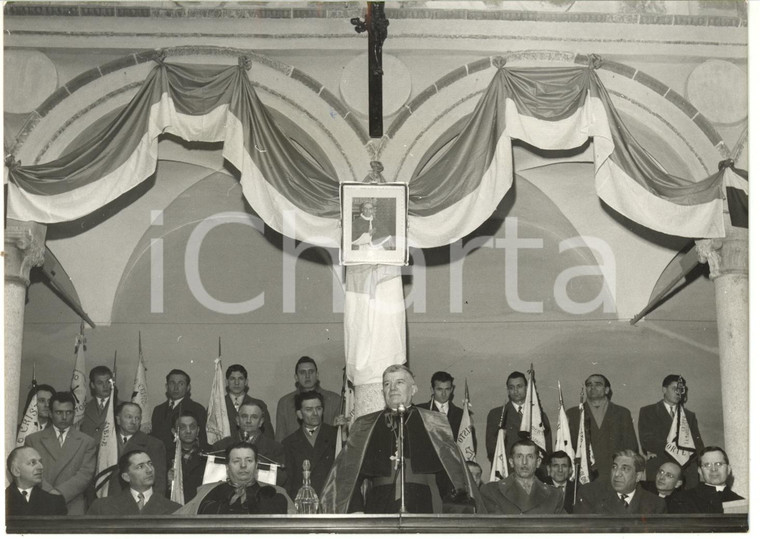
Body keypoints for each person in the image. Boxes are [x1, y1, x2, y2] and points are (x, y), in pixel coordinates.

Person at [321, 364, 484, 514]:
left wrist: (456, 513)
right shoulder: (365, 425)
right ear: (382, 391)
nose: (392, 388)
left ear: (413, 389)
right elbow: (348, 475)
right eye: (386, 384)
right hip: (379, 502)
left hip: (420, 501)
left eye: (399, 382)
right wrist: (356, 509)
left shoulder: (434, 422)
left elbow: (450, 474)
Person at [24, 391, 96, 515]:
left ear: (74, 413)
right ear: (50, 414)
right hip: (41, 501)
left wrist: (60, 493)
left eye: (68, 412)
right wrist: (50, 493)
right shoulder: (33, 440)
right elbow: (30, 471)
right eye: (59, 412)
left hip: (72, 504)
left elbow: (85, 475)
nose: (64, 417)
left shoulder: (87, 442)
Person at [176, 442, 292, 515]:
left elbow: (298, 527)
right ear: (227, 467)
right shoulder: (207, 492)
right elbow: (176, 522)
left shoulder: (277, 493)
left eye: (249, 460)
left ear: (257, 466)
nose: (243, 465)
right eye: (236, 461)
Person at [566, 374, 638, 483]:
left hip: (614, 474)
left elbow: (631, 447)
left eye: (598, 384)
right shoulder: (573, 414)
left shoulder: (622, 413)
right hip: (584, 476)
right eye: (589, 385)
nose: (592, 387)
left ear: (607, 390)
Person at [638, 374, 704, 489]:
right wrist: (678, 450)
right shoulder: (648, 411)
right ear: (664, 389)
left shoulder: (689, 415)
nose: (679, 393)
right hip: (660, 467)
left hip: (687, 471)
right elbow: (647, 440)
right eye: (675, 389)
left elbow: (697, 444)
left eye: (681, 390)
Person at [485, 371, 551, 467]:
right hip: (508, 470)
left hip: (535, 471)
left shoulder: (539, 414)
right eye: (511, 388)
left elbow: (547, 449)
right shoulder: (497, 414)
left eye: (519, 386)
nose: (515, 391)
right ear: (508, 390)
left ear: (527, 388)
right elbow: (492, 449)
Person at [481, 439, 565, 514]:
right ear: (511, 462)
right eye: (519, 456)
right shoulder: (492, 491)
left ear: (538, 462)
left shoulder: (554, 495)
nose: (524, 462)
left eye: (530, 456)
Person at [213, 402, 286, 486]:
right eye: (244, 416)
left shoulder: (275, 448)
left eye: (254, 417)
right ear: (237, 420)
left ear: (261, 421)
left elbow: (281, 479)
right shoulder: (221, 446)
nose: (248, 421)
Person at [88, 450, 181, 515]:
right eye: (140, 467)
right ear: (126, 477)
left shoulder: (175, 509)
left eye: (150, 464)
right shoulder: (102, 507)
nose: (149, 470)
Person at [282, 390, 337, 500]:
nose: (315, 413)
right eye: (309, 410)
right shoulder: (288, 443)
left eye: (318, 408)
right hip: (303, 504)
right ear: (299, 414)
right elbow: (289, 483)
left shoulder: (336, 436)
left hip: (331, 502)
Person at [575, 449, 666, 514]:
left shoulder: (656, 504)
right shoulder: (590, 494)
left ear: (638, 476)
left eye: (625, 469)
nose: (617, 473)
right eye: (614, 467)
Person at [106, 402, 167, 497]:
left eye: (137, 418)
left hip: (137, 503)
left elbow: (159, 483)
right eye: (129, 417)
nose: (133, 421)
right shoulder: (105, 444)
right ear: (118, 419)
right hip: (106, 502)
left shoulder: (153, 445)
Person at [275, 356, 341, 442]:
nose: (307, 376)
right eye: (302, 372)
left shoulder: (333, 400)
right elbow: (280, 438)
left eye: (311, 372)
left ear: (317, 375)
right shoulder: (285, 403)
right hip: (293, 452)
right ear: (296, 377)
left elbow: (340, 436)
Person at [669, 446, 744, 513]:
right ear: (700, 471)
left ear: (728, 469)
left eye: (718, 464)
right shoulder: (682, 499)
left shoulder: (741, 503)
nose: (713, 469)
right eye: (707, 465)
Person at [151, 369, 208, 456]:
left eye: (181, 384)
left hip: (184, 458)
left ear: (188, 387)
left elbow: (202, 439)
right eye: (172, 383)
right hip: (159, 457)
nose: (176, 387)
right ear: (166, 386)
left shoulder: (197, 409)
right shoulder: (158, 409)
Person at [6, 446, 67, 516]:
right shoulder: (4, 500)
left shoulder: (55, 501)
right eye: (33, 462)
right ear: (16, 471)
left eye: (40, 462)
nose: (41, 467)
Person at [167, 410, 209, 503]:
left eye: (192, 427)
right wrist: (168, 483)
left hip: (201, 507)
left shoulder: (210, 453)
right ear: (174, 431)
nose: (188, 431)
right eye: (182, 427)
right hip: (174, 507)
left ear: (198, 430)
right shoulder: (165, 455)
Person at [224, 364, 274, 439]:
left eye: (240, 378)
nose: (236, 383)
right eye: (232, 379)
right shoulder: (217, 405)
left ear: (246, 382)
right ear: (227, 382)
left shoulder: (259, 405)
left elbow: (268, 435)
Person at [415, 371, 464, 437]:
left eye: (447, 389)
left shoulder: (461, 415)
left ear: (452, 389)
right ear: (432, 390)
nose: (443, 394)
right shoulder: (420, 411)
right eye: (439, 389)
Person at [80, 365, 118, 441]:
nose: (105, 386)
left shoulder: (121, 407)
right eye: (100, 383)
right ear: (92, 385)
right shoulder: (83, 408)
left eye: (108, 382)